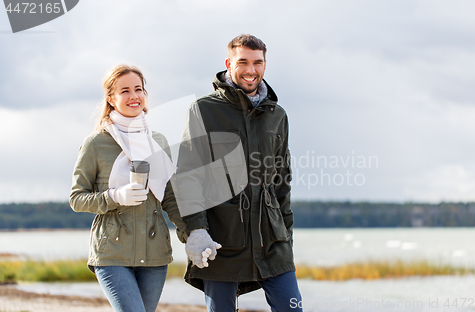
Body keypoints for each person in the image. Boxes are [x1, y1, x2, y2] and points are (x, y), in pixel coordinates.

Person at [174, 34, 302, 312]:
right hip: (221, 239)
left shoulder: (276, 115)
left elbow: (282, 182)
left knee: (292, 308)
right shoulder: (204, 110)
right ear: (228, 64)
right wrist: (195, 230)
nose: (251, 70)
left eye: (257, 62)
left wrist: (287, 237)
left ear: (265, 64)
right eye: (242, 61)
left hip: (272, 241)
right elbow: (187, 175)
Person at [69, 64, 187, 312]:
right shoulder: (96, 143)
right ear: (111, 99)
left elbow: (171, 197)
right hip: (112, 252)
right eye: (125, 91)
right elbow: (77, 199)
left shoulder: (158, 141)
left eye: (138, 89)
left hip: (155, 253)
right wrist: (114, 197)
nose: (134, 96)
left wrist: (193, 235)